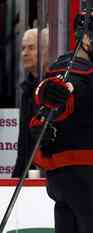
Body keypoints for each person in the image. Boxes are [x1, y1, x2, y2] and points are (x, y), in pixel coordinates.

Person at [31, 8, 93, 233]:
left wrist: (43, 120)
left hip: (67, 179)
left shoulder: (88, 67)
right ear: (85, 39)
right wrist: (52, 94)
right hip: (91, 178)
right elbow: (66, 89)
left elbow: (46, 113)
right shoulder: (79, 69)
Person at [12, 28, 49, 178]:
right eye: (23, 48)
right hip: (30, 173)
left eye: (31, 48)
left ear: (46, 51)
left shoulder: (52, 88)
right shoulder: (27, 90)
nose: (25, 53)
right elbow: (24, 144)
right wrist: (17, 177)